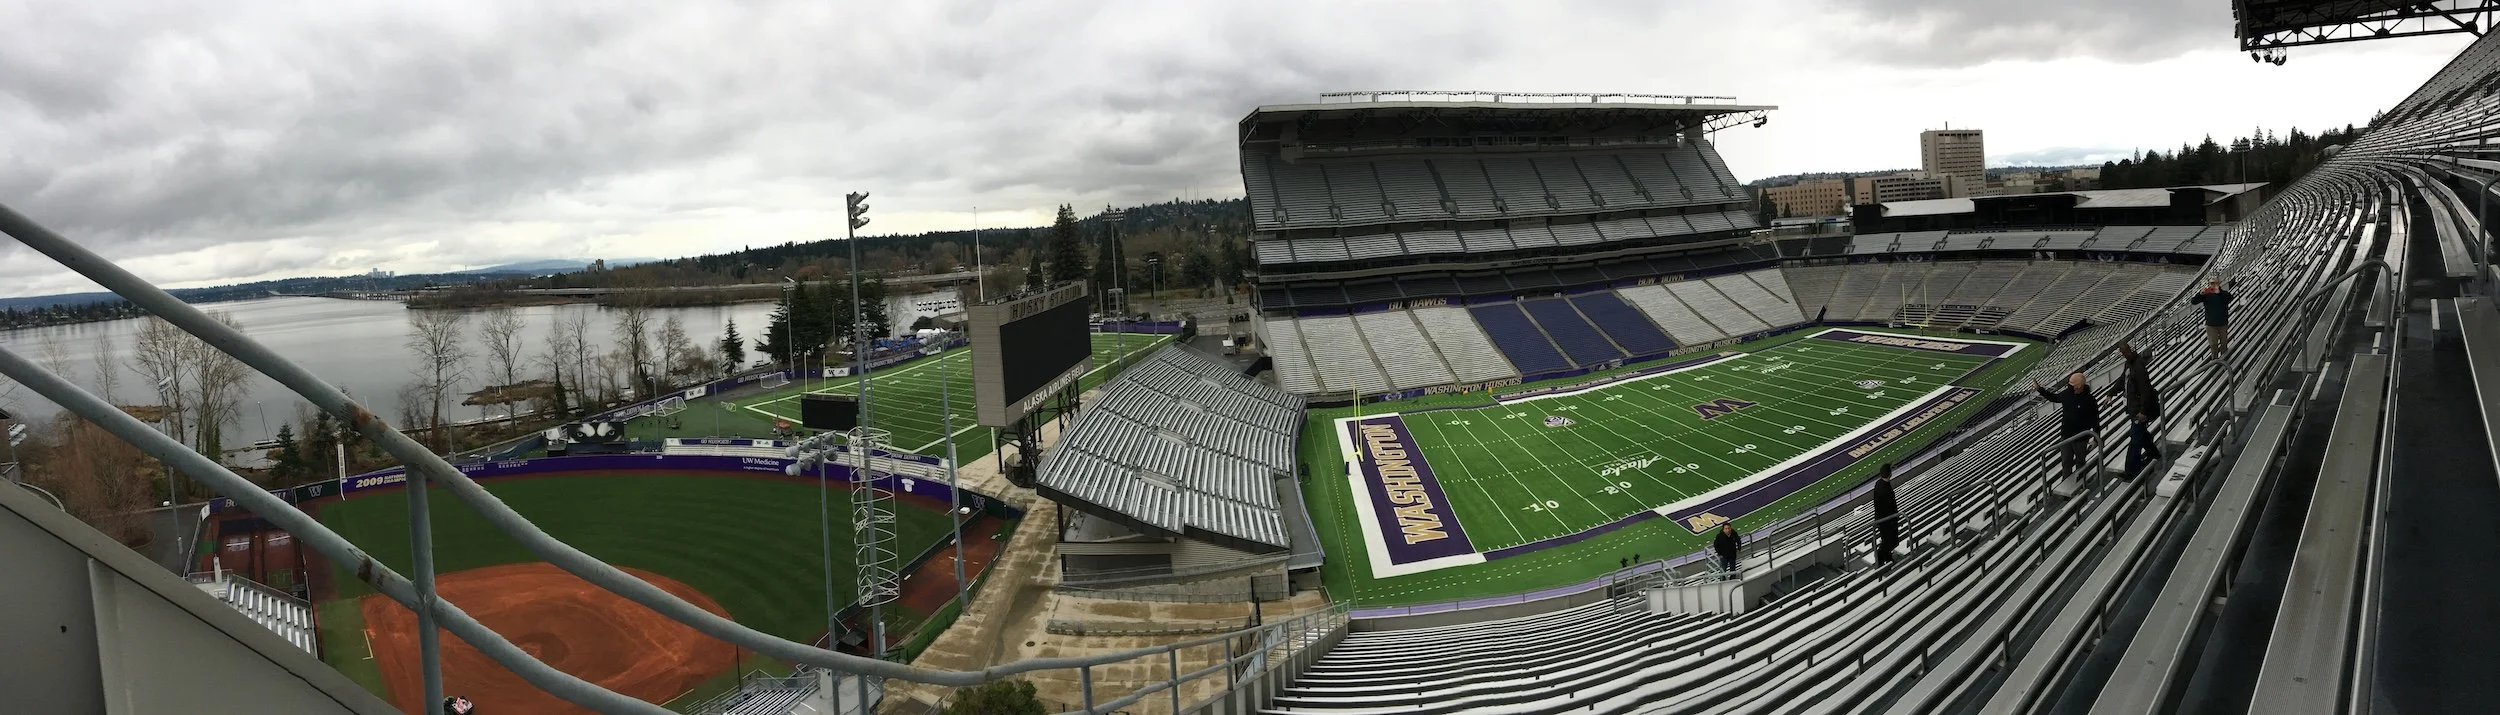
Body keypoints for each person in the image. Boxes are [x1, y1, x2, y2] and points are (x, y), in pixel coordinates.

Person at [2034, 371, 2102, 481]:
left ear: (2079, 386)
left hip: (2081, 438)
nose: (2069, 386)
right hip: (2066, 435)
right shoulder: (2067, 394)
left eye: (2072, 384)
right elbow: (2054, 398)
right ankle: (2066, 482)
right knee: (2066, 462)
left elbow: (2095, 420)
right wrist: (2039, 389)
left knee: (2080, 461)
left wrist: (2096, 438)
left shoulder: (2089, 400)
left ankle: (2081, 482)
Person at [2188, 278, 2236, 361]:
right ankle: (2215, 360)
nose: (2212, 285)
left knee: (2224, 342)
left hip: (2222, 323)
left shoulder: (2223, 294)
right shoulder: (2206, 294)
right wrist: (2200, 294)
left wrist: (2219, 293)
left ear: (2218, 284)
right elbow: (2193, 301)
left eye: (2214, 283)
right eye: (2211, 283)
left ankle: (2225, 359)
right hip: (2211, 324)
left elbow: (2230, 298)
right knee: (2213, 344)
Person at [1871, 463, 1901, 565]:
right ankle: (1880, 560)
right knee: (1888, 541)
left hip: (1885, 519)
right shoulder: (1883, 488)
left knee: (1888, 541)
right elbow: (1887, 507)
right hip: (1886, 521)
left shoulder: (1879, 483)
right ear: (1890, 474)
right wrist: (1894, 518)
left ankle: (1888, 558)